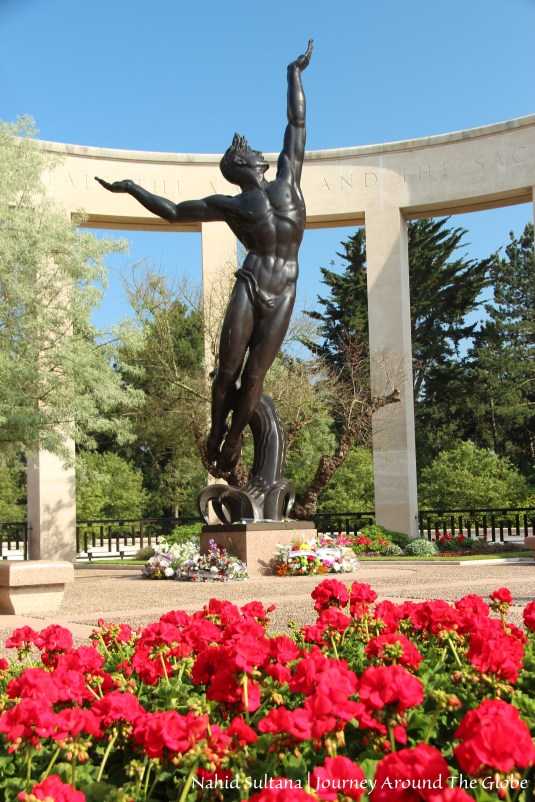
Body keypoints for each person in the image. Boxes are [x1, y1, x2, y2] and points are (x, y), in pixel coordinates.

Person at [96, 40, 312, 472]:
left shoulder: (288, 182)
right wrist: (133, 189)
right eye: (250, 150)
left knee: (255, 376)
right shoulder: (231, 204)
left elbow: (297, 122)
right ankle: (217, 429)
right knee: (226, 372)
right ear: (241, 163)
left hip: (284, 288)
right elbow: (175, 212)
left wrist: (294, 73)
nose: (258, 151)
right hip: (252, 285)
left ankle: (233, 441)